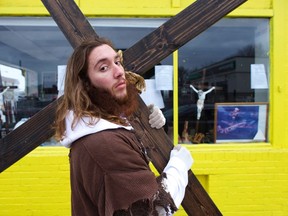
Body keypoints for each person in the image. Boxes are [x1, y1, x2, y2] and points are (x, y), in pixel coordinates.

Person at [54, 38, 193, 216]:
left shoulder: (96, 132)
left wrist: (145, 122)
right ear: (86, 85)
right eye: (103, 68)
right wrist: (179, 166)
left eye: (117, 62)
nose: (119, 72)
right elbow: (154, 211)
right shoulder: (105, 145)